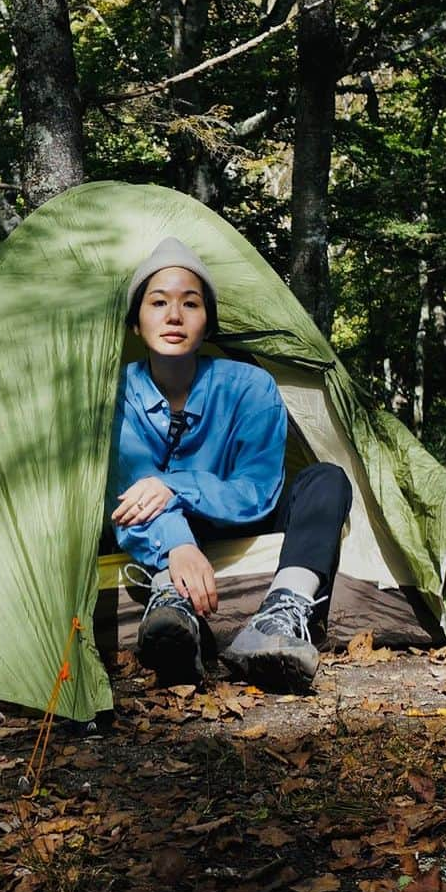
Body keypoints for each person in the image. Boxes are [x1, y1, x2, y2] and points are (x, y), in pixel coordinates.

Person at [109, 237, 353, 693]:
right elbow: (124, 499)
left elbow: (257, 491)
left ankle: (280, 613)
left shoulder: (250, 386)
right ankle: (172, 604)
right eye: (158, 302)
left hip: (237, 519)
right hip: (150, 540)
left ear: (208, 323)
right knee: (130, 507)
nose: (174, 316)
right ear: (137, 325)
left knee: (327, 481)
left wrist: (172, 485)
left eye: (191, 304)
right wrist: (177, 544)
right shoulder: (114, 395)